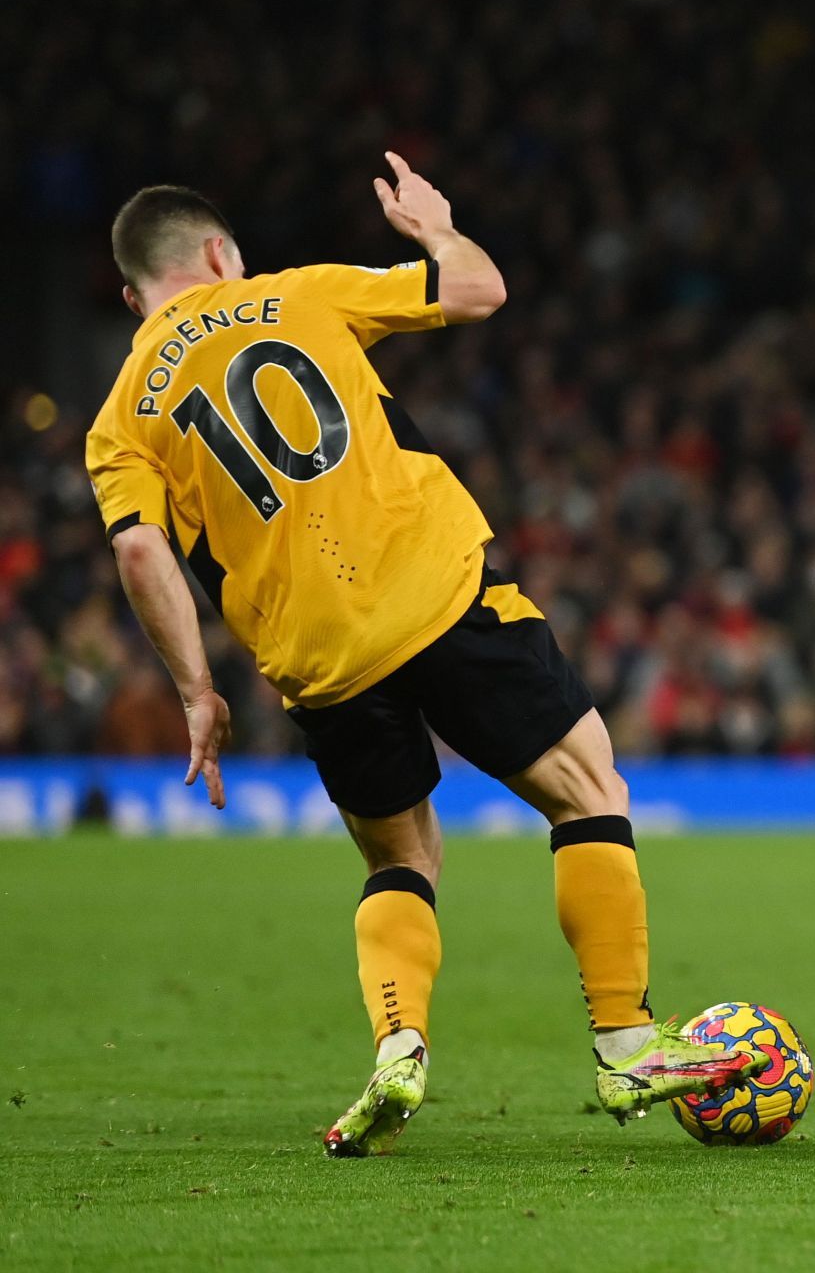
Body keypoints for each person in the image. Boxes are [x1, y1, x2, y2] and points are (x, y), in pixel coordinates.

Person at [85, 159, 760, 1157]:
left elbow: (141, 549)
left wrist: (196, 690)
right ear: (222, 255)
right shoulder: (294, 292)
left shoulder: (116, 416)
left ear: (135, 296)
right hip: (435, 592)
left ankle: (399, 1044)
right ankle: (623, 1038)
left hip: (318, 659)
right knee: (587, 788)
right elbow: (479, 287)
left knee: (402, 857)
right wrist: (436, 228)